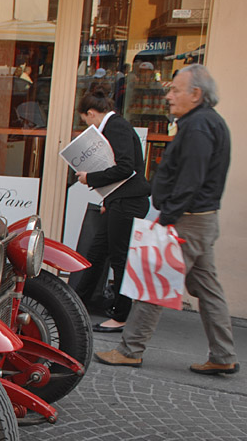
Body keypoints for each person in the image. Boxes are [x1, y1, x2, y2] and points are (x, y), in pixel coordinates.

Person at [95, 64, 238, 375]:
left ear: (196, 94)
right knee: (208, 289)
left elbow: (191, 179)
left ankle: (130, 350)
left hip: (187, 220)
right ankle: (223, 355)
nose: (168, 95)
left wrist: (167, 219)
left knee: (152, 285)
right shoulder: (205, 122)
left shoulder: (199, 127)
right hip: (200, 220)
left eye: (175, 90)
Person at [72, 88, 151, 332]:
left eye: (86, 120)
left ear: (92, 113)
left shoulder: (115, 127)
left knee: (120, 258)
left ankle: (120, 315)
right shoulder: (116, 126)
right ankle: (78, 303)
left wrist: (90, 177)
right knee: (97, 253)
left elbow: (126, 168)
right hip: (119, 201)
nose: (88, 126)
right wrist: (107, 200)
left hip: (127, 202)